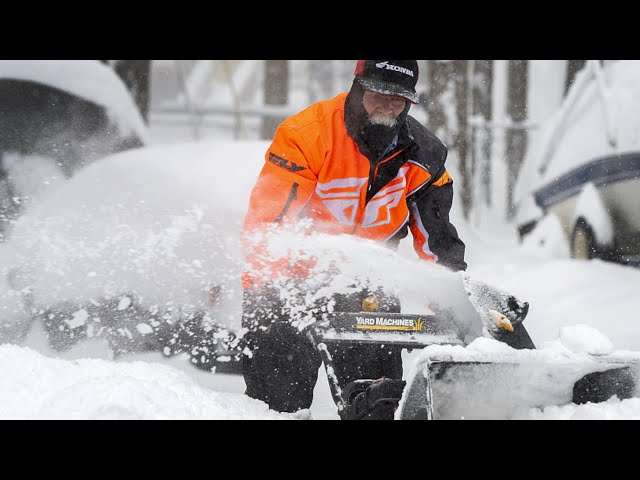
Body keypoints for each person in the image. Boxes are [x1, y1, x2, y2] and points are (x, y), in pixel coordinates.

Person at [240, 60, 467, 418]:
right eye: (378, 96)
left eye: (398, 101)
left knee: (378, 405)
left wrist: (456, 306)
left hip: (367, 291)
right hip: (291, 285)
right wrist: (266, 296)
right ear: (358, 88)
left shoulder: (425, 157)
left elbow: (438, 243)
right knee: (277, 405)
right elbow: (270, 223)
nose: (387, 108)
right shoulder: (307, 135)